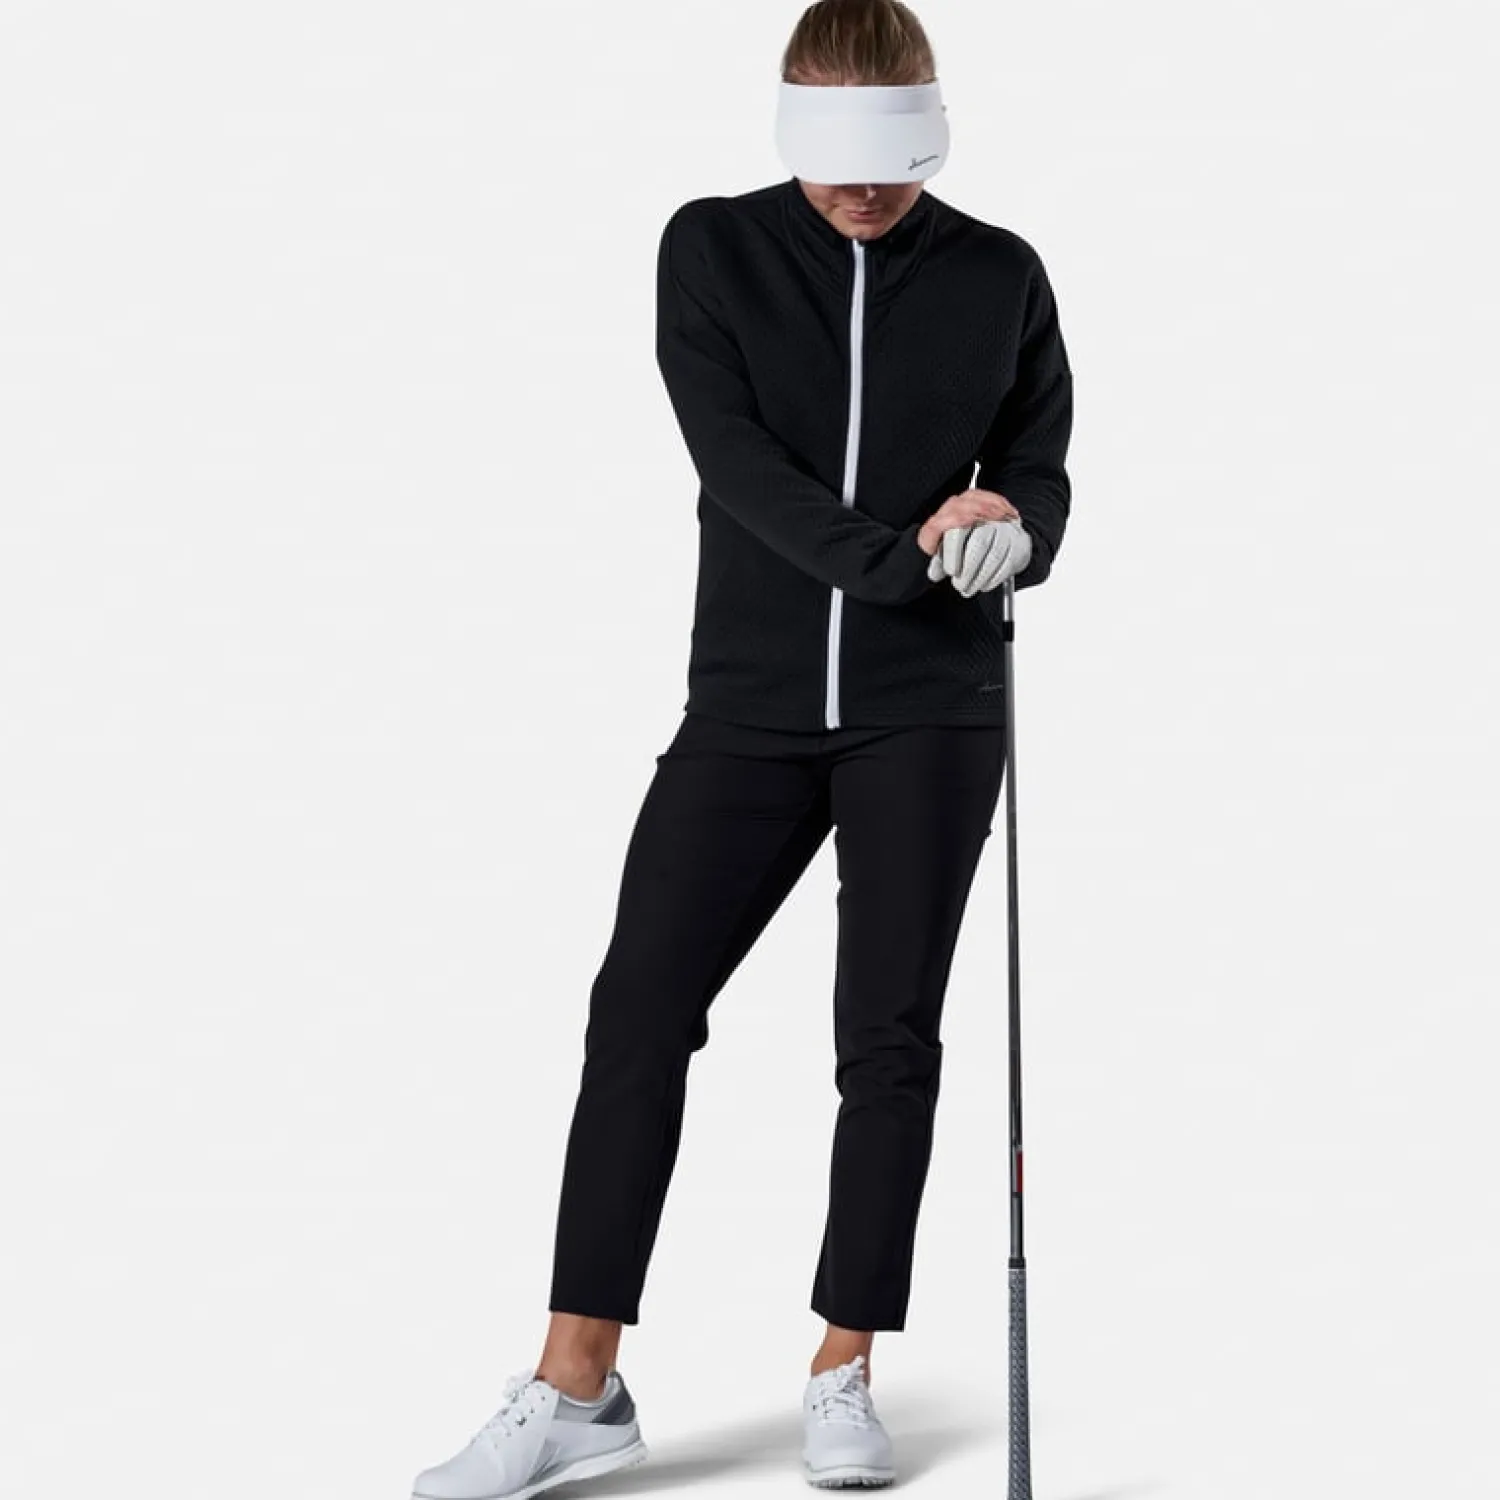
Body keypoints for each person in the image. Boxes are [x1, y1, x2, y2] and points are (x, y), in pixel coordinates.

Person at [410, 1, 1072, 1494]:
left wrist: (1010, 524)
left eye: (897, 158)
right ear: (789, 126)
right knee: (640, 1007)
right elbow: (744, 471)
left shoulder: (1000, 273)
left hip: (932, 713)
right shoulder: (712, 249)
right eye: (840, 156)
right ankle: (577, 1383)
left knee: (887, 1038)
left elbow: (1039, 463)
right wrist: (913, 562)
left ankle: (846, 1366)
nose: (867, 187)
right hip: (750, 708)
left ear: (934, 132)